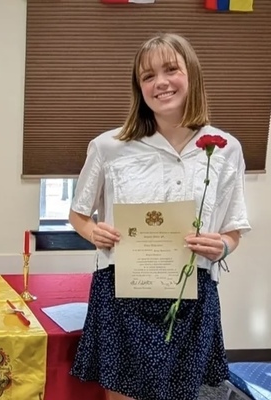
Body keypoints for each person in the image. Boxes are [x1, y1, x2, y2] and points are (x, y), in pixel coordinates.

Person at [68, 33, 251, 400]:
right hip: (123, 292)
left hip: (191, 293)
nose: (160, 83)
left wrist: (222, 246)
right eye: (148, 76)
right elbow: (78, 215)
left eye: (171, 70)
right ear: (139, 88)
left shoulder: (226, 148)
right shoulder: (108, 146)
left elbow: (234, 229)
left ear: (192, 74)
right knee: (122, 394)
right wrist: (94, 232)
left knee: (183, 393)